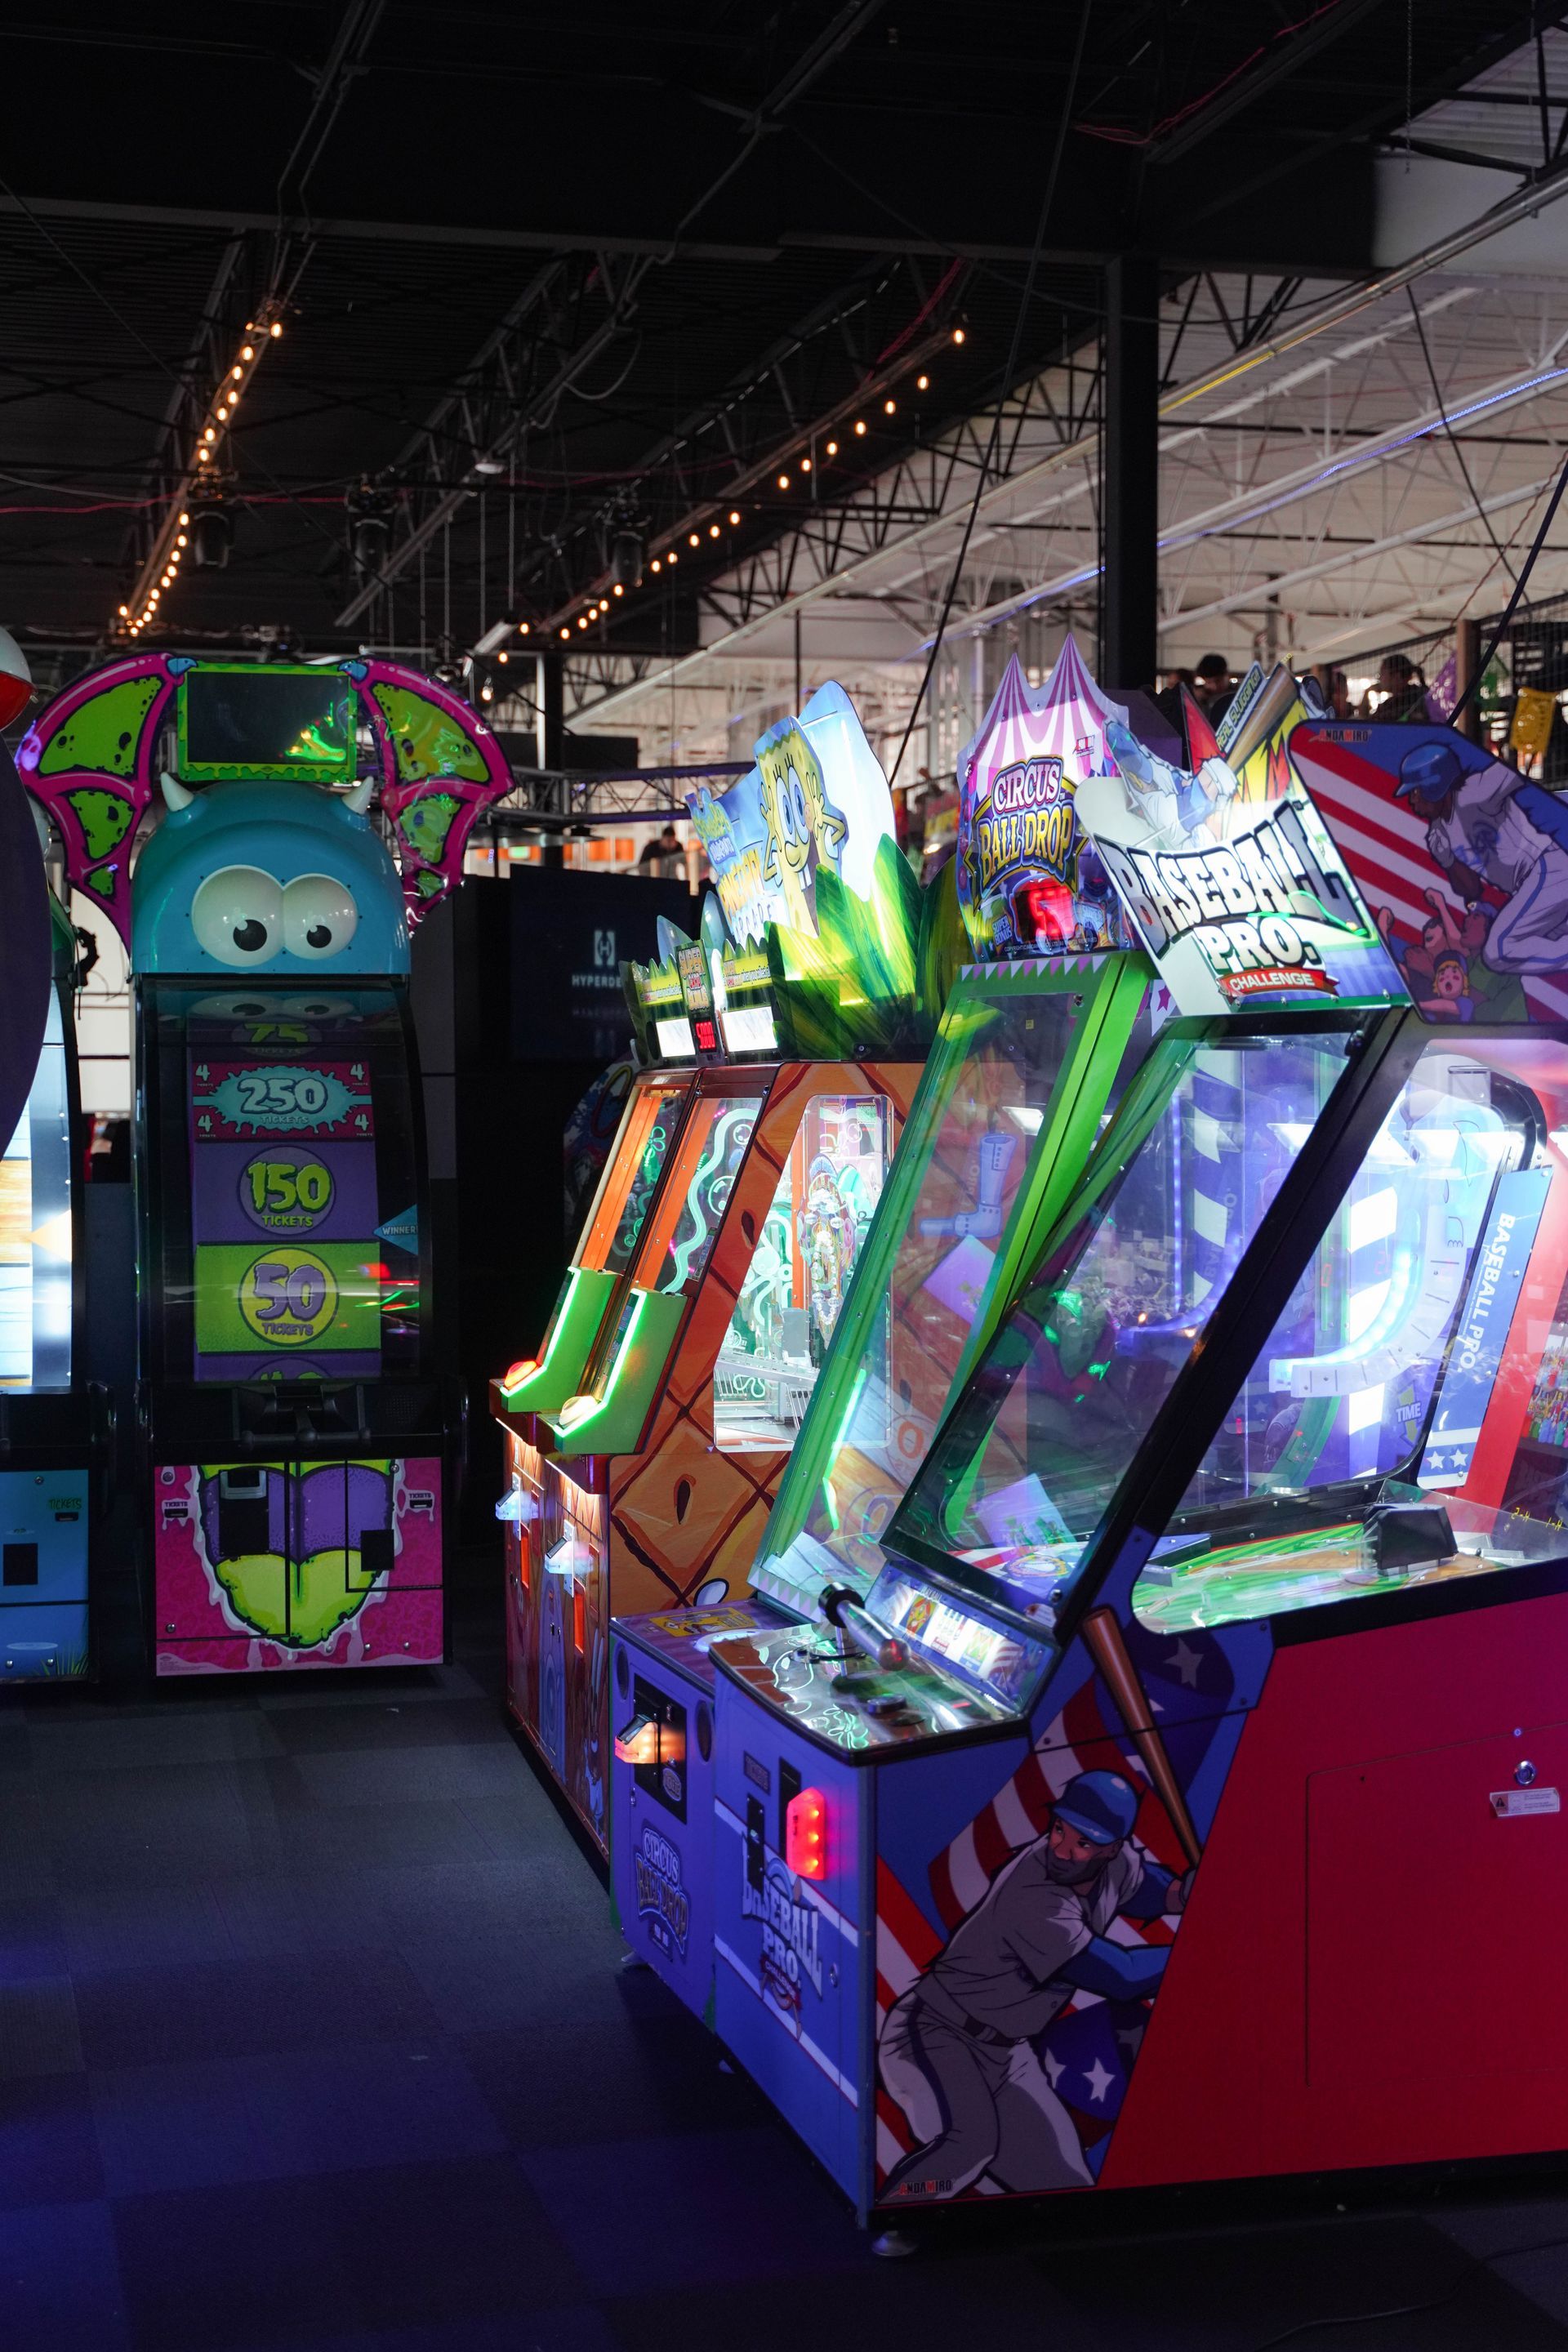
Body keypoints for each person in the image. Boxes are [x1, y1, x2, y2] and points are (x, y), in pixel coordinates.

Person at [877, 1769, 1190, 2202]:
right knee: (969, 2146)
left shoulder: (1115, 1863)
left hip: (1005, 2053)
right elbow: (1121, 1977)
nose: (1062, 1848)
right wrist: (1197, 1946)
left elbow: (1145, 1888)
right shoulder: (1035, 1894)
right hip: (933, 2032)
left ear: (1111, 1847)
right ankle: (899, 2208)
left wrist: (1183, 1892)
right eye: (1060, 1829)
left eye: (1083, 1842)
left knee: (1066, 2183)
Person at [1365, 653, 1428, 723]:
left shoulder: (1399, 703)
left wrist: (1367, 692)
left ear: (1397, 677)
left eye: (1381, 674)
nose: (1379, 679)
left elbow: (1368, 724)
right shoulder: (1421, 694)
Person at [1193, 653, 1235, 726]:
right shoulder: (1200, 697)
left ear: (1227, 675)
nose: (1214, 686)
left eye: (1218, 681)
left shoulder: (1237, 693)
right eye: (1209, 682)